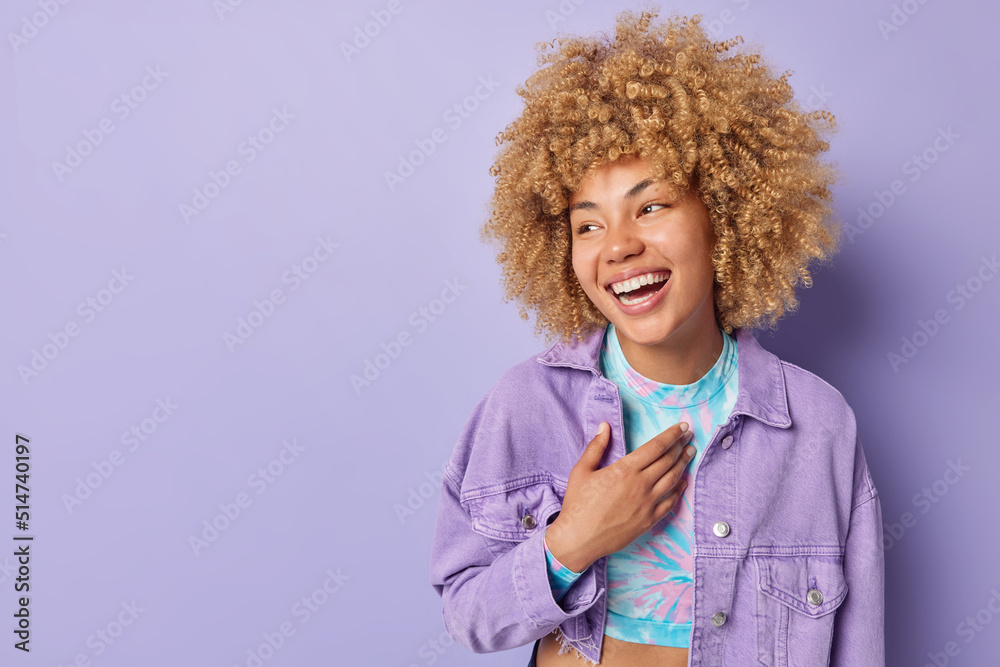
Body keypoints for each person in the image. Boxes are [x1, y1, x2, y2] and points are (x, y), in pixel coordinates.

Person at [430, 7, 884, 666]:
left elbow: (859, 646)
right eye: (588, 225)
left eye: (651, 207)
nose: (619, 246)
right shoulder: (526, 403)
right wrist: (571, 541)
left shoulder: (817, 426)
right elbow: (467, 615)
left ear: (723, 216)